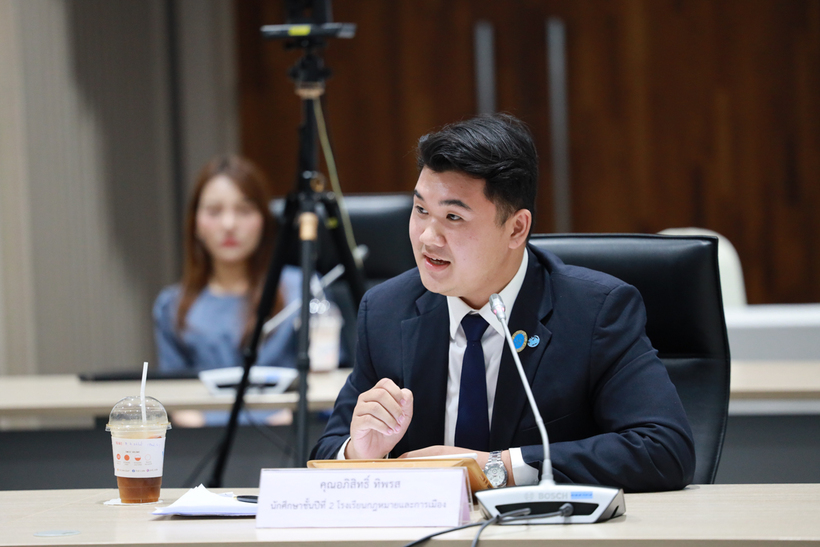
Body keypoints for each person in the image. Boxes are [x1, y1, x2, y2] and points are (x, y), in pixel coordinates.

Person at [310, 114, 695, 493]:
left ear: (516, 228)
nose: (427, 237)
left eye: (453, 216)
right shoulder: (386, 310)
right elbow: (328, 451)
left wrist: (497, 467)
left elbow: (663, 449)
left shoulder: (595, 311)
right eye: (421, 210)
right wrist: (360, 453)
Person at [153, 155, 301, 425]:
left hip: (286, 437)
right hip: (201, 440)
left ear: (264, 220)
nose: (229, 224)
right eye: (214, 212)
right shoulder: (170, 305)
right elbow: (173, 397)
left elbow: (332, 378)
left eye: (244, 210)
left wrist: (292, 419)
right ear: (195, 223)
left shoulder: (302, 291)